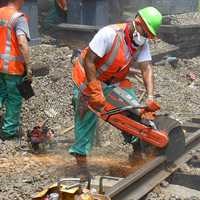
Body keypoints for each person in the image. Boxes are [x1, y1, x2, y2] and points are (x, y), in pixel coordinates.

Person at [69, 6, 162, 178]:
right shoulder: (109, 34)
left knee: (135, 112)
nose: (147, 37)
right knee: (86, 120)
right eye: (146, 32)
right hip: (88, 79)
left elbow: (146, 67)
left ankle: (136, 153)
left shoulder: (141, 42)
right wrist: (95, 91)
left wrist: (149, 97)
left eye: (150, 35)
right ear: (137, 22)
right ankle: (81, 167)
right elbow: (89, 61)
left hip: (114, 80)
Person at [0, 0, 32, 140]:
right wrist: (28, 67)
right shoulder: (18, 18)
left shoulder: (1, 12)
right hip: (12, 68)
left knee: (1, 94)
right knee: (14, 100)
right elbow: (22, 42)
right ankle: (9, 132)